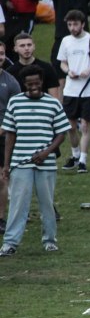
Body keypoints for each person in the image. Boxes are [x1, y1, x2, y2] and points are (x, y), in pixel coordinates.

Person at [0, 64, 69, 256]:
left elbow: (61, 134)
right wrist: (6, 165)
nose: (33, 87)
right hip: (20, 162)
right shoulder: (15, 102)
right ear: (24, 84)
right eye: (29, 84)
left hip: (45, 163)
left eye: (37, 83)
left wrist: (46, 153)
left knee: (47, 203)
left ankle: (50, 240)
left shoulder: (52, 103)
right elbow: (10, 136)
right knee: (18, 204)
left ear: (42, 82)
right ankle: (10, 243)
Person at [57, 10, 90, 174]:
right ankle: (75, 155)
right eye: (69, 24)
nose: (72, 28)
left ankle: (83, 161)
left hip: (89, 89)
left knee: (85, 125)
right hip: (71, 90)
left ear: (83, 24)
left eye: (75, 24)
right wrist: (68, 72)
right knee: (70, 126)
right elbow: (62, 63)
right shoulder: (65, 41)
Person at [0, 42, 24, 233]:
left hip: (3, 136)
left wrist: (3, 128)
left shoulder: (11, 82)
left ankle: (0, 218)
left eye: (1, 54)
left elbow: (17, 111)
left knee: (2, 179)